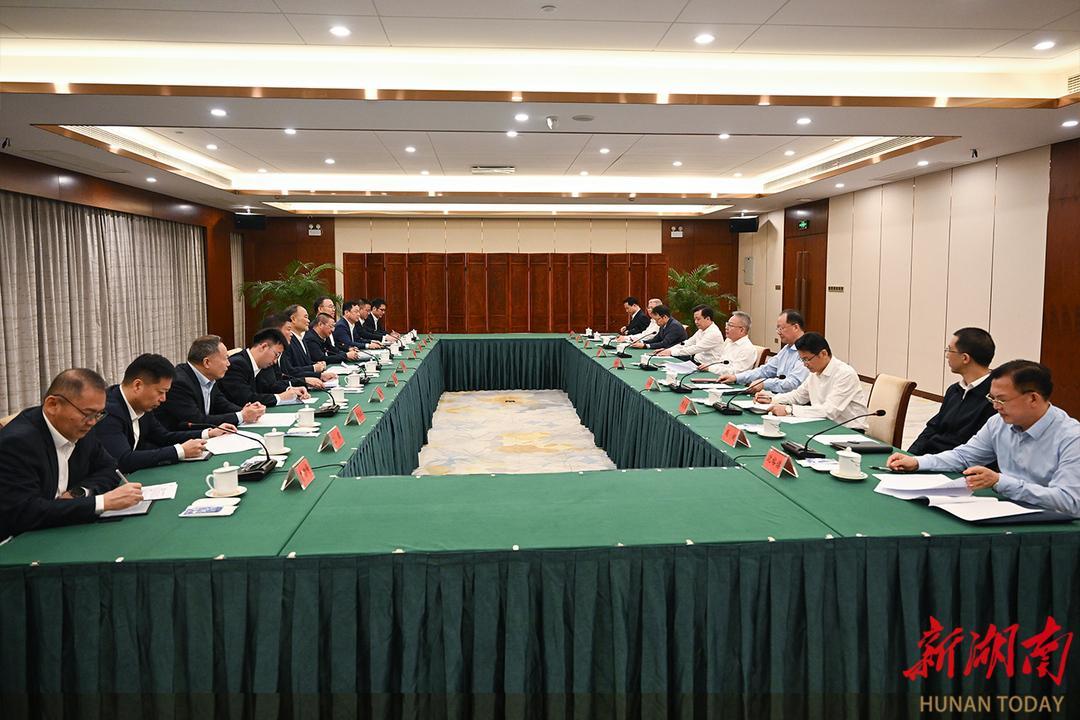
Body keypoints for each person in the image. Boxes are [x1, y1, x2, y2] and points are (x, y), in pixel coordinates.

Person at [887, 360, 1080, 517]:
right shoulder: (998, 423)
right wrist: (917, 462)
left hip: (1055, 527)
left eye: (1001, 399)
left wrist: (1000, 481)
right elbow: (964, 457)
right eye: (992, 398)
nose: (995, 406)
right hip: (1006, 511)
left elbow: (1070, 502)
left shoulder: (1071, 438)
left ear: (1033, 399)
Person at [0, 369, 144, 537]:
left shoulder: (82, 428)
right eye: (87, 414)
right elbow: (24, 512)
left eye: (99, 414)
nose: (93, 422)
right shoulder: (18, 442)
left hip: (61, 528)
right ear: (53, 405)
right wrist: (101, 502)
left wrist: (79, 493)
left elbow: (110, 467)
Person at [95, 354, 231, 473]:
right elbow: (123, 460)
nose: (163, 399)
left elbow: (163, 436)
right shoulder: (108, 411)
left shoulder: (142, 405)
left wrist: (208, 433)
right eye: (160, 392)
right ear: (137, 385)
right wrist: (179, 451)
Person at [907, 327, 998, 455]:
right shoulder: (954, 390)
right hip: (929, 459)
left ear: (965, 358)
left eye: (950, 350)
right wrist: (910, 455)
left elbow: (974, 450)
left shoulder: (994, 398)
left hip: (954, 462)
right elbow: (932, 428)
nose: (947, 355)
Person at [757, 332, 869, 429]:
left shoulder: (845, 374)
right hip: (823, 425)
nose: (805, 364)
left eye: (807, 359)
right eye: (802, 360)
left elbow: (829, 411)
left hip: (849, 432)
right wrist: (772, 400)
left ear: (823, 354)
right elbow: (798, 396)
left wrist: (789, 409)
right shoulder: (815, 372)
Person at [156, 335, 266, 431]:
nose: (228, 364)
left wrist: (247, 410)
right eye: (225, 359)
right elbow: (197, 420)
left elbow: (221, 404)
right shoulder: (179, 383)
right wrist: (241, 416)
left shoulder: (209, 377)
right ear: (207, 362)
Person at [717, 309, 809, 394]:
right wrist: (736, 377)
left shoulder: (807, 350)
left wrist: (764, 384)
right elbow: (765, 370)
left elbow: (793, 383)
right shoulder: (786, 349)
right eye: (777, 329)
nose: (778, 332)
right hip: (777, 396)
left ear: (795, 327)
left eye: (781, 328)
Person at [221, 328, 307, 407]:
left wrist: (290, 390)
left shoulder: (261, 365)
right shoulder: (237, 364)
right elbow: (246, 398)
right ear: (264, 347)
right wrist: (280, 397)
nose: (275, 361)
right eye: (276, 355)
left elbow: (268, 387)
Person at [284, 304, 336, 386]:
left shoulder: (301, 338)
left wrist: (317, 365)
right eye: (305, 317)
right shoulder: (287, 341)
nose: (308, 321)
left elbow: (306, 363)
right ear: (293, 319)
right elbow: (290, 371)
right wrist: (314, 368)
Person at [655, 305, 724, 366]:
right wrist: (668, 350)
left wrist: (671, 352)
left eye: (698, 319)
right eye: (695, 319)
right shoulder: (701, 330)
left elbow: (695, 349)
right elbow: (687, 343)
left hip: (709, 368)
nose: (696, 322)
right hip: (696, 363)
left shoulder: (713, 333)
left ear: (708, 318)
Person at [699, 311, 758, 375]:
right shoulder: (729, 341)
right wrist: (709, 366)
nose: (726, 328)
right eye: (727, 324)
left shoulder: (747, 349)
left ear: (742, 330)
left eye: (730, 325)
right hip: (717, 375)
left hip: (730, 380)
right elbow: (720, 363)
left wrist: (710, 368)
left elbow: (736, 372)